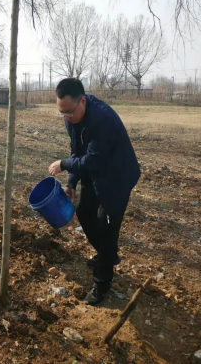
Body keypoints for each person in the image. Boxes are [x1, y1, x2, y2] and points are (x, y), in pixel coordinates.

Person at [48, 78, 140, 305]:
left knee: (106, 222)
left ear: (82, 101)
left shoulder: (103, 119)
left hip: (117, 176)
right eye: (62, 113)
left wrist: (65, 164)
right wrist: (71, 183)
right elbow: (76, 150)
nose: (67, 118)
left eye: (69, 112)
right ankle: (107, 254)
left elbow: (91, 159)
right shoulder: (71, 119)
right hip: (95, 173)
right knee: (84, 211)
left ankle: (102, 283)